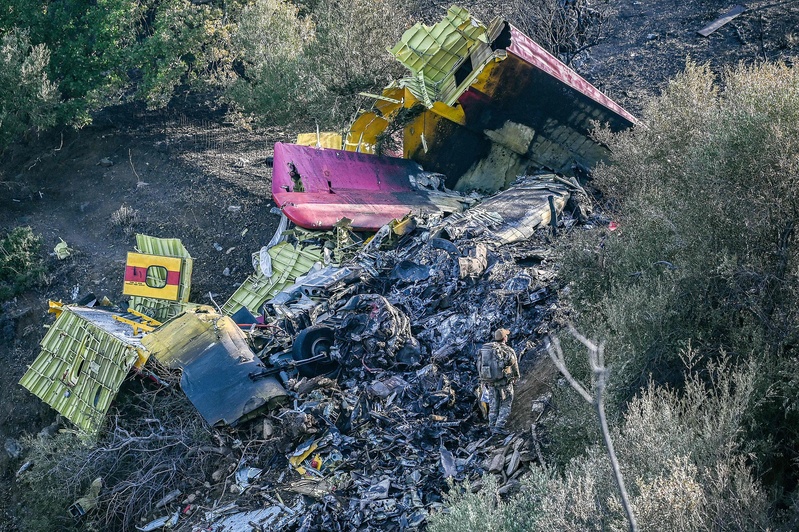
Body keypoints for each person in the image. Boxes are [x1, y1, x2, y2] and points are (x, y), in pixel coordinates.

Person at [477, 328, 520, 434]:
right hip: (504, 382)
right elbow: (514, 366)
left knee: (493, 404)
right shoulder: (508, 350)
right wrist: (516, 377)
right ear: (504, 338)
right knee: (506, 403)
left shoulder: (487, 350)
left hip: (490, 382)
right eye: (506, 335)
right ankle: (499, 426)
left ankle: (492, 426)